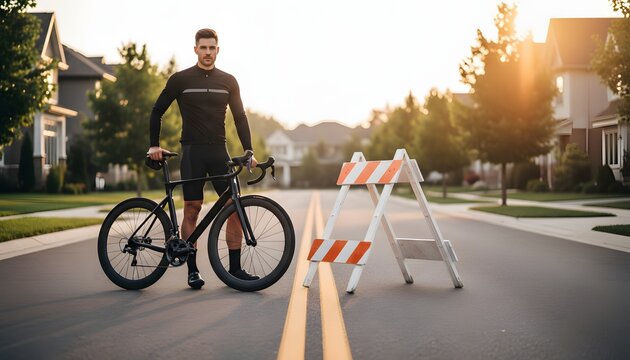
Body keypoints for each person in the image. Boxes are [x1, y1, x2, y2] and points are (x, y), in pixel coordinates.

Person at [147, 28, 259, 289]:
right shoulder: (180, 80)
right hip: (192, 152)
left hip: (219, 151)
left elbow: (240, 117)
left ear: (218, 50)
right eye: (203, 48)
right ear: (195, 49)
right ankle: (192, 271)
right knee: (192, 209)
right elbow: (157, 111)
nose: (208, 52)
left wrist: (249, 150)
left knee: (234, 208)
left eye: (212, 48)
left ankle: (235, 270)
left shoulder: (229, 81)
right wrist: (153, 144)